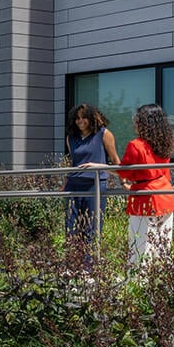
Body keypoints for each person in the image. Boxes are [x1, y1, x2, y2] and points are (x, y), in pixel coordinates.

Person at [115, 103, 174, 269]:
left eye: (137, 119)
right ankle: (163, 283)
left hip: (145, 197)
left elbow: (124, 171)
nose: (134, 122)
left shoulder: (136, 145)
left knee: (140, 246)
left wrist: (99, 167)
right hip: (165, 194)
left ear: (144, 122)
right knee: (163, 246)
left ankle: (138, 286)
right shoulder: (164, 143)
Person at [65, 103, 119, 255]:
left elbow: (115, 160)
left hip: (94, 185)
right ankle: (73, 265)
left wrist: (125, 181)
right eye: (77, 118)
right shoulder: (71, 138)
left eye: (84, 118)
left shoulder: (104, 134)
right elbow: (72, 163)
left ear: (91, 118)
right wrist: (64, 184)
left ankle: (90, 267)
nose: (80, 121)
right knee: (72, 227)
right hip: (74, 186)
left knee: (92, 226)